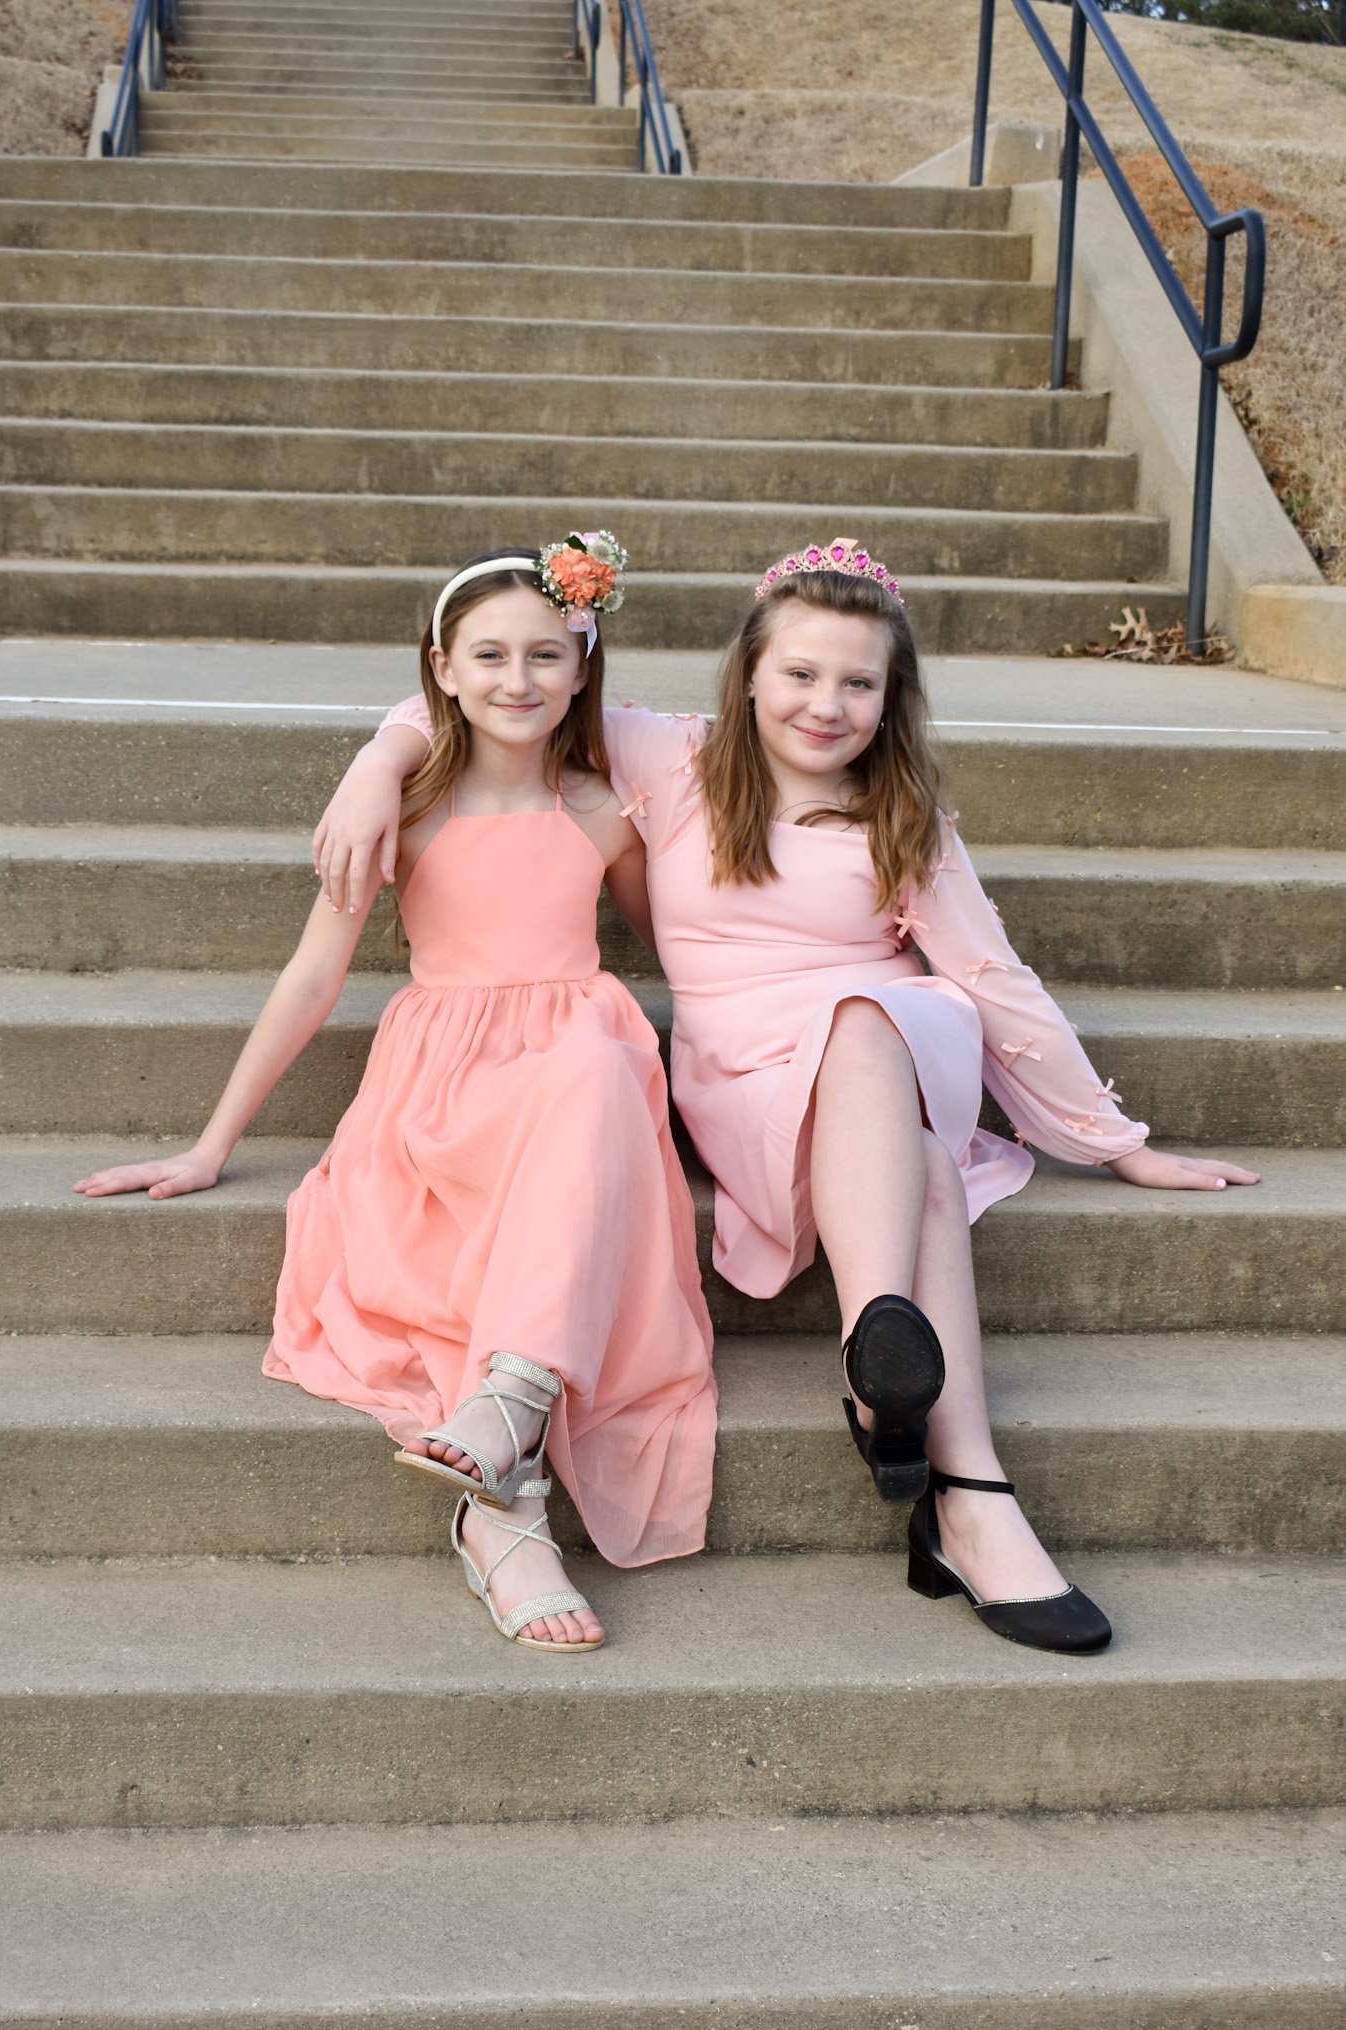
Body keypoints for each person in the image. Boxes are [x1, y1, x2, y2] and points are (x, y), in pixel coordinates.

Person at [310, 538, 1259, 1656]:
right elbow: (500, 690)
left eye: (859, 682)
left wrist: (1113, 1139)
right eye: (800, 673)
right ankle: (949, 1472)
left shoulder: (902, 815)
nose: (826, 704)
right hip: (748, 1079)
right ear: (749, 674)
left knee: (866, 1016)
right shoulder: (672, 757)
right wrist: (377, 761)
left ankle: (896, 1374)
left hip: (889, 1047)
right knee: (927, 1181)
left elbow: (994, 977)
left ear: (891, 697)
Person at [73, 538, 718, 1655]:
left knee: (600, 1061)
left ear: (581, 667)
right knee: (584, 1088)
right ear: (442, 671)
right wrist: (209, 1143)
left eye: (546, 655)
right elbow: (312, 976)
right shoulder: (405, 808)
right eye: (489, 656)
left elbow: (690, 957)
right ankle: (507, 1474)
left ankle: (506, 1443)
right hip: (445, 1091)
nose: (518, 678)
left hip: (578, 1069)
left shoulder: (605, 810)